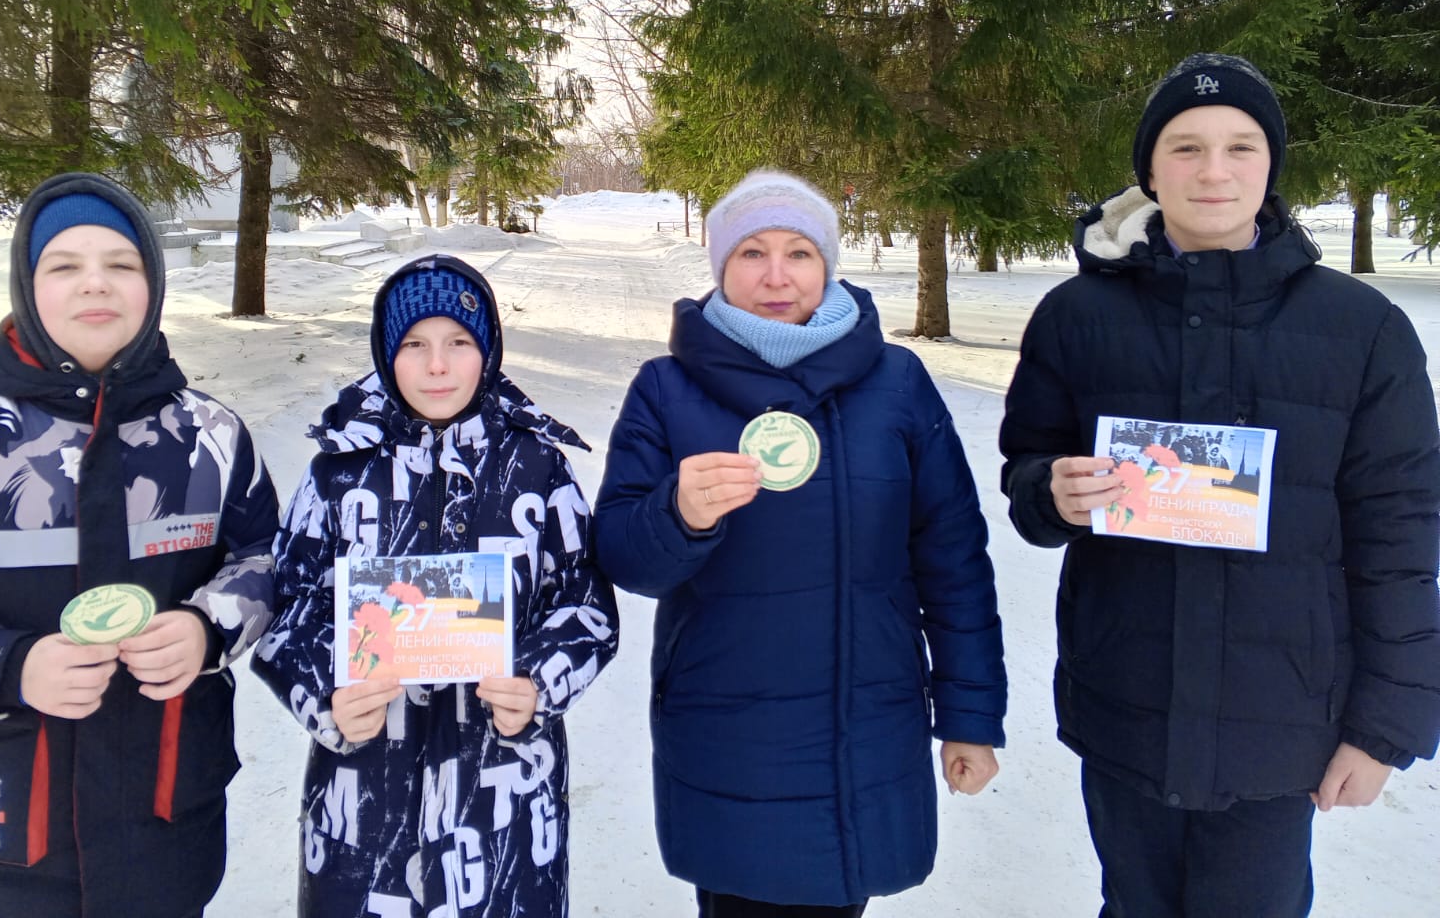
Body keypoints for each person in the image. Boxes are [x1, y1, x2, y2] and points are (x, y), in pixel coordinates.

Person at [999, 53, 1440, 917]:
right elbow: (1028, 477)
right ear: (1150, 170)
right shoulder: (1076, 318)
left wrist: (1385, 729)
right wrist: (1053, 491)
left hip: (1282, 724)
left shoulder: (1362, 332)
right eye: (1185, 147)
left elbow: (1401, 538)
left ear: (1270, 167)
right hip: (1126, 702)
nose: (1213, 171)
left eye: (1241, 147)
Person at [0, 172, 279, 917]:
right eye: (64, 266)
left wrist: (208, 629)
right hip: (3, 841)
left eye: (122, 263)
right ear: (27, 283)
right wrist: (8, 667)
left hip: (166, 828)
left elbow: (268, 561)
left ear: (154, 282)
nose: (94, 286)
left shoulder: (211, 436)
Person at [595, 170, 1006, 917]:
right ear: (721, 267)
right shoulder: (665, 389)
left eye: (799, 253)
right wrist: (677, 513)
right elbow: (624, 558)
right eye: (752, 253)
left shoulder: (897, 384)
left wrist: (971, 715)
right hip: (729, 735)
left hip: (868, 727)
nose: (777, 277)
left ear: (829, 266)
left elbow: (953, 560)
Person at [252, 253, 618, 918]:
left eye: (458, 342)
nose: (438, 366)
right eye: (415, 345)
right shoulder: (338, 471)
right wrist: (327, 700)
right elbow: (288, 607)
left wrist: (538, 684)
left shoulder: (537, 467)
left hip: (502, 799)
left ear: (489, 350)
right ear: (386, 353)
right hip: (363, 799)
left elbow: (582, 602)